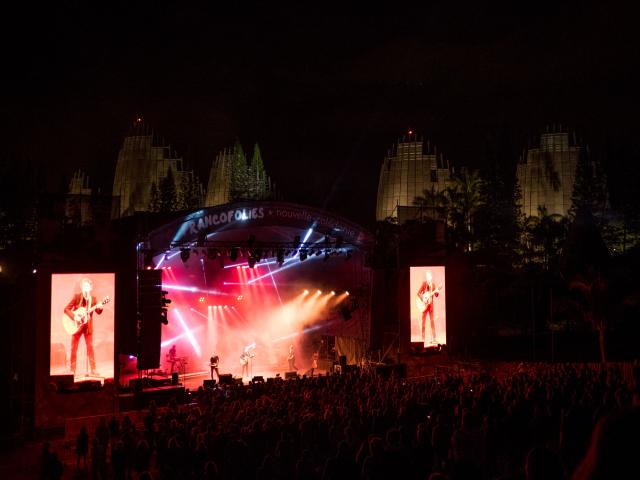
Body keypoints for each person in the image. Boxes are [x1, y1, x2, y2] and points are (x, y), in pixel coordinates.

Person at [64, 278, 104, 376]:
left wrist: (100, 308)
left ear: (90, 288)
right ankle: (72, 370)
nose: (84, 288)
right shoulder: (77, 297)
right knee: (74, 348)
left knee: (90, 348)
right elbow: (66, 309)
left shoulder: (93, 299)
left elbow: (98, 312)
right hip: (76, 327)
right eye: (83, 286)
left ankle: (93, 369)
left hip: (88, 327)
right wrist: (75, 316)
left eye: (87, 286)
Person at [416, 270, 441, 345]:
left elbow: (436, 295)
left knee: (432, 321)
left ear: (431, 277)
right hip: (424, 306)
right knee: (423, 323)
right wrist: (423, 298)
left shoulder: (433, 285)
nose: (428, 278)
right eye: (427, 276)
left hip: (431, 306)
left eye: (429, 276)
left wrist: (437, 291)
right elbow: (418, 293)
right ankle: (422, 339)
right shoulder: (424, 284)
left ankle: (434, 338)